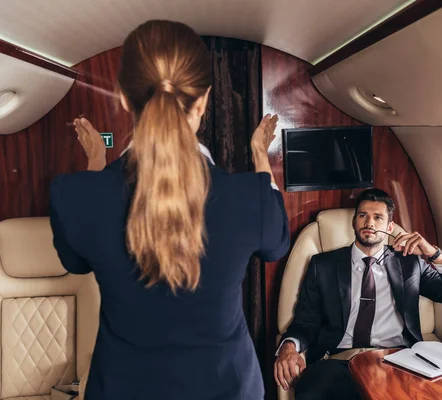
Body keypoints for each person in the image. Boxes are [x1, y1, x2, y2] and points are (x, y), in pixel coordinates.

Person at [49, 20, 289, 400]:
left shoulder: (73, 195)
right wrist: (260, 154)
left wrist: (96, 162)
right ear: (204, 101)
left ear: (124, 98)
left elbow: (77, 261)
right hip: (229, 389)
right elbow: (276, 246)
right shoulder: (250, 196)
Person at [274, 188, 442, 400]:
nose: (369, 223)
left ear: (389, 227)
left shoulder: (410, 264)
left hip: (400, 362)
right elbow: (306, 321)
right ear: (354, 222)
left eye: (378, 217)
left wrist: (433, 254)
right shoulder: (323, 265)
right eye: (363, 215)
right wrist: (289, 346)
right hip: (339, 362)